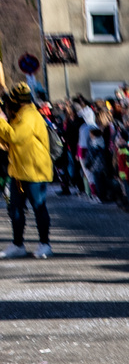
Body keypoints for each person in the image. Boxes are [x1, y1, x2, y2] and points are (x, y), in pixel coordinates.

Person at [0, 83, 54, 259]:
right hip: (19, 171)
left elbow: (15, 136)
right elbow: (11, 140)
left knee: (39, 207)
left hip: (34, 171)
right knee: (15, 208)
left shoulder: (29, 115)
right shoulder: (21, 115)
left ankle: (45, 244)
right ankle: (18, 244)